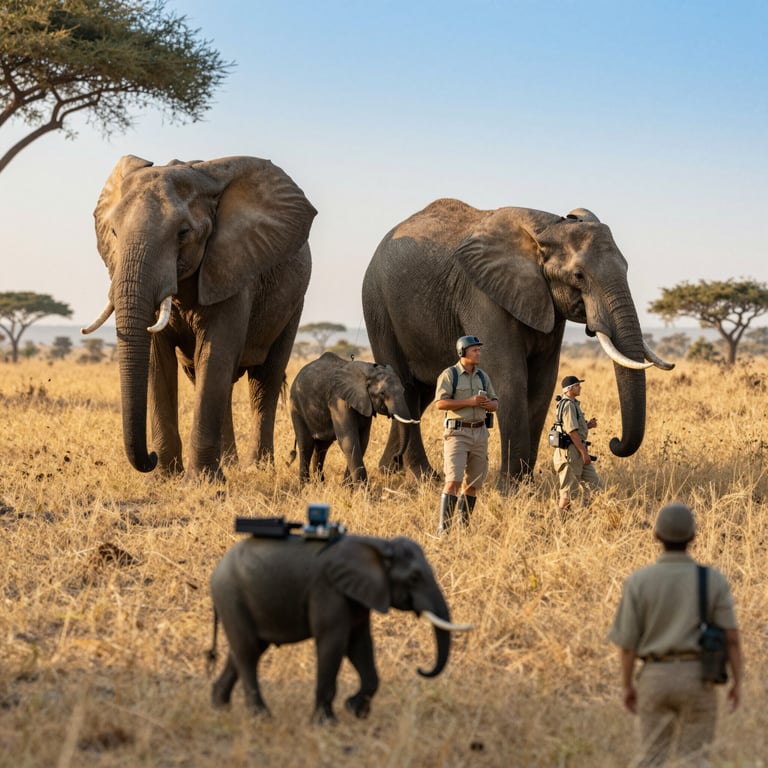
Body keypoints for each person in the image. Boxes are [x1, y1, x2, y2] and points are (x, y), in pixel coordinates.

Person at [608, 502, 742, 767]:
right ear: (693, 536)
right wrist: (738, 682)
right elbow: (732, 638)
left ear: (656, 535)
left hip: (654, 678)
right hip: (698, 677)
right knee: (695, 760)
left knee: (651, 758)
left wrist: (627, 685)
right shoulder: (712, 579)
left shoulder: (639, 581)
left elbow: (627, 646)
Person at [434, 335, 498, 535]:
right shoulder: (449, 375)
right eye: (475, 350)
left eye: (479, 350)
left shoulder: (482, 376)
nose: (479, 353)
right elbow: (440, 403)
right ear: (462, 352)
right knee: (453, 481)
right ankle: (443, 530)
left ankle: (464, 528)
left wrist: (489, 405)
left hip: (480, 433)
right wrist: (470, 401)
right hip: (457, 434)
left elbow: (495, 403)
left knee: (473, 484)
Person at [552, 375, 602, 512]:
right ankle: (559, 521)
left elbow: (573, 428)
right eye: (577, 385)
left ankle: (584, 515)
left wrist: (587, 425)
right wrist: (584, 453)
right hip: (571, 454)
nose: (580, 387)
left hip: (577, 452)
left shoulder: (573, 404)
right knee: (567, 495)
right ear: (569, 389)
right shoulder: (568, 405)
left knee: (596, 487)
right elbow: (572, 432)